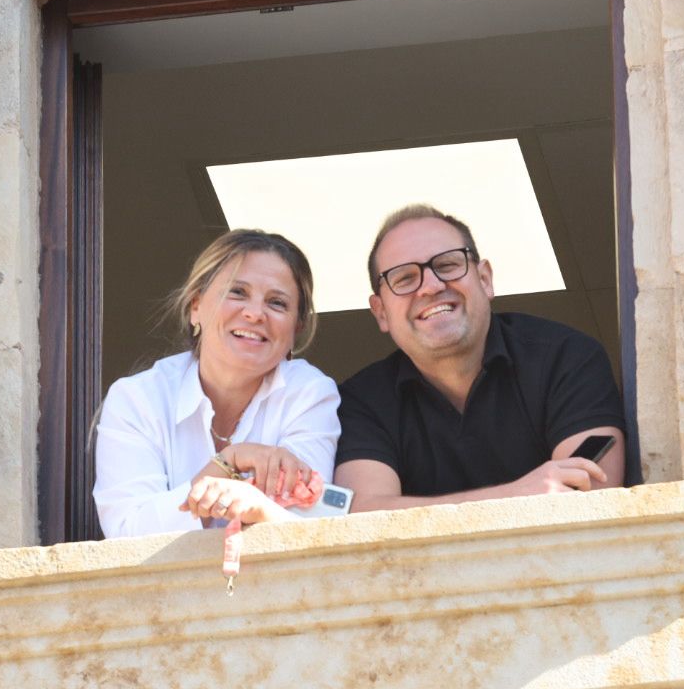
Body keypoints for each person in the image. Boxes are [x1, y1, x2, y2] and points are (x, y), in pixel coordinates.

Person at [335, 204, 627, 512]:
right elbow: (362, 516)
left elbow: (591, 501)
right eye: (405, 278)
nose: (431, 286)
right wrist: (517, 495)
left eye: (447, 265)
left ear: (485, 279)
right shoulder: (359, 401)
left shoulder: (566, 357)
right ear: (380, 312)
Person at [93, 230, 340, 537]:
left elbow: (312, 528)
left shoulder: (310, 393)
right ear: (196, 305)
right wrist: (229, 462)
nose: (254, 313)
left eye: (277, 303)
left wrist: (260, 509)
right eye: (237, 292)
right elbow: (126, 534)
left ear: (295, 328)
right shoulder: (137, 398)